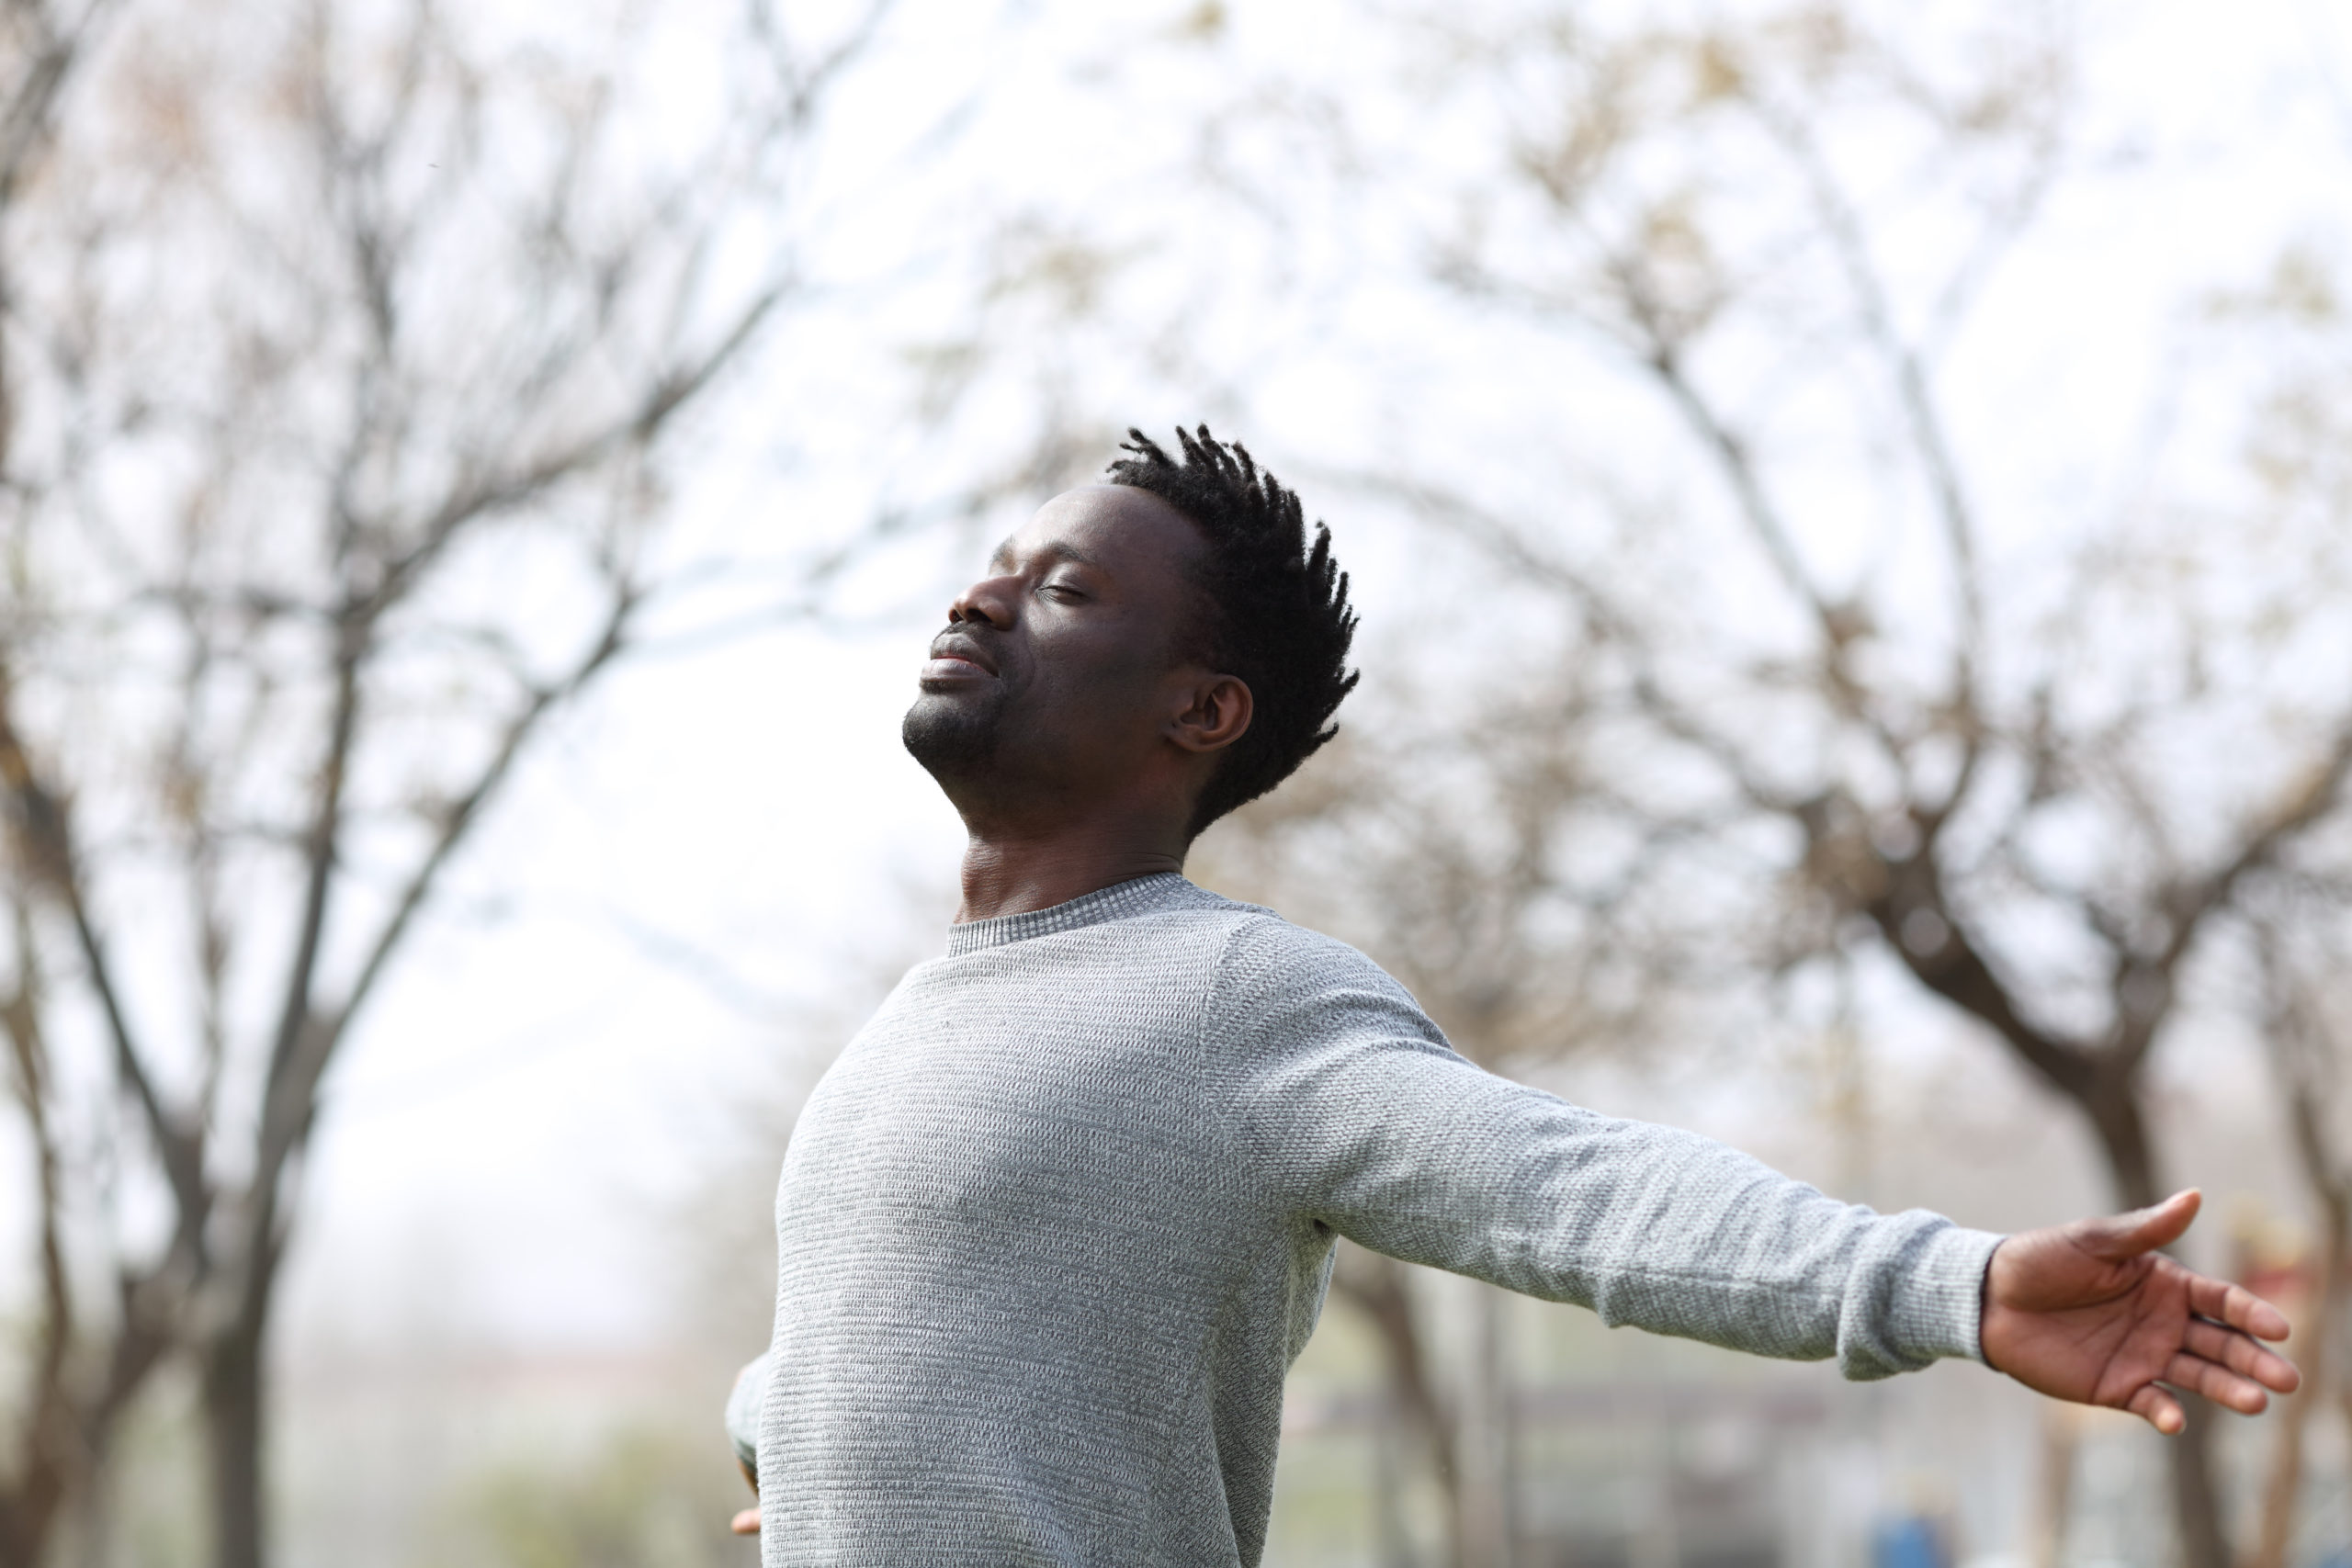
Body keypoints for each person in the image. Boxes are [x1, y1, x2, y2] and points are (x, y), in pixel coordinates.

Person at [725, 426, 2298, 1564]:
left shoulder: (1230, 1000)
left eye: (1063, 589)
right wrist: (796, 1442)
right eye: (998, 571)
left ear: (1202, 711)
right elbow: (910, 1332)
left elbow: (1577, 1195)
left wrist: (1942, 1281)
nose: (982, 601)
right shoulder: (913, 1022)